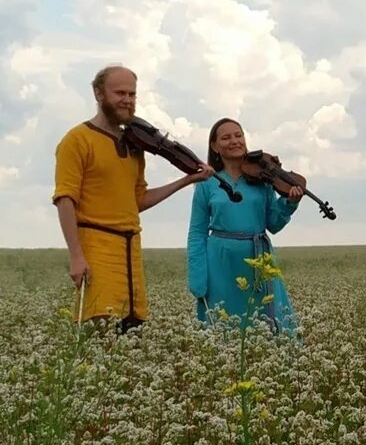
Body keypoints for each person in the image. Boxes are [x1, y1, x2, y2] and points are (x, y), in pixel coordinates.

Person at [52, 65, 212, 332]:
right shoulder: (76, 140)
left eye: (132, 94)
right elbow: (65, 199)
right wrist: (76, 256)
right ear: (98, 93)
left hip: (131, 251)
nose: (127, 100)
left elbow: (137, 200)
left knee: (132, 329)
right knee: (100, 329)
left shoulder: (136, 147)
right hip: (96, 249)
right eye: (120, 93)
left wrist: (186, 180)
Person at [187, 118, 304, 334]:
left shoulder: (262, 179)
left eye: (238, 135)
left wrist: (289, 203)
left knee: (268, 321)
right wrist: (198, 277)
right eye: (226, 137)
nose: (234, 141)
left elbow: (273, 223)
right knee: (223, 323)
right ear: (214, 146)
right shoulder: (206, 182)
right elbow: (197, 232)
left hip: (259, 258)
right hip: (220, 263)